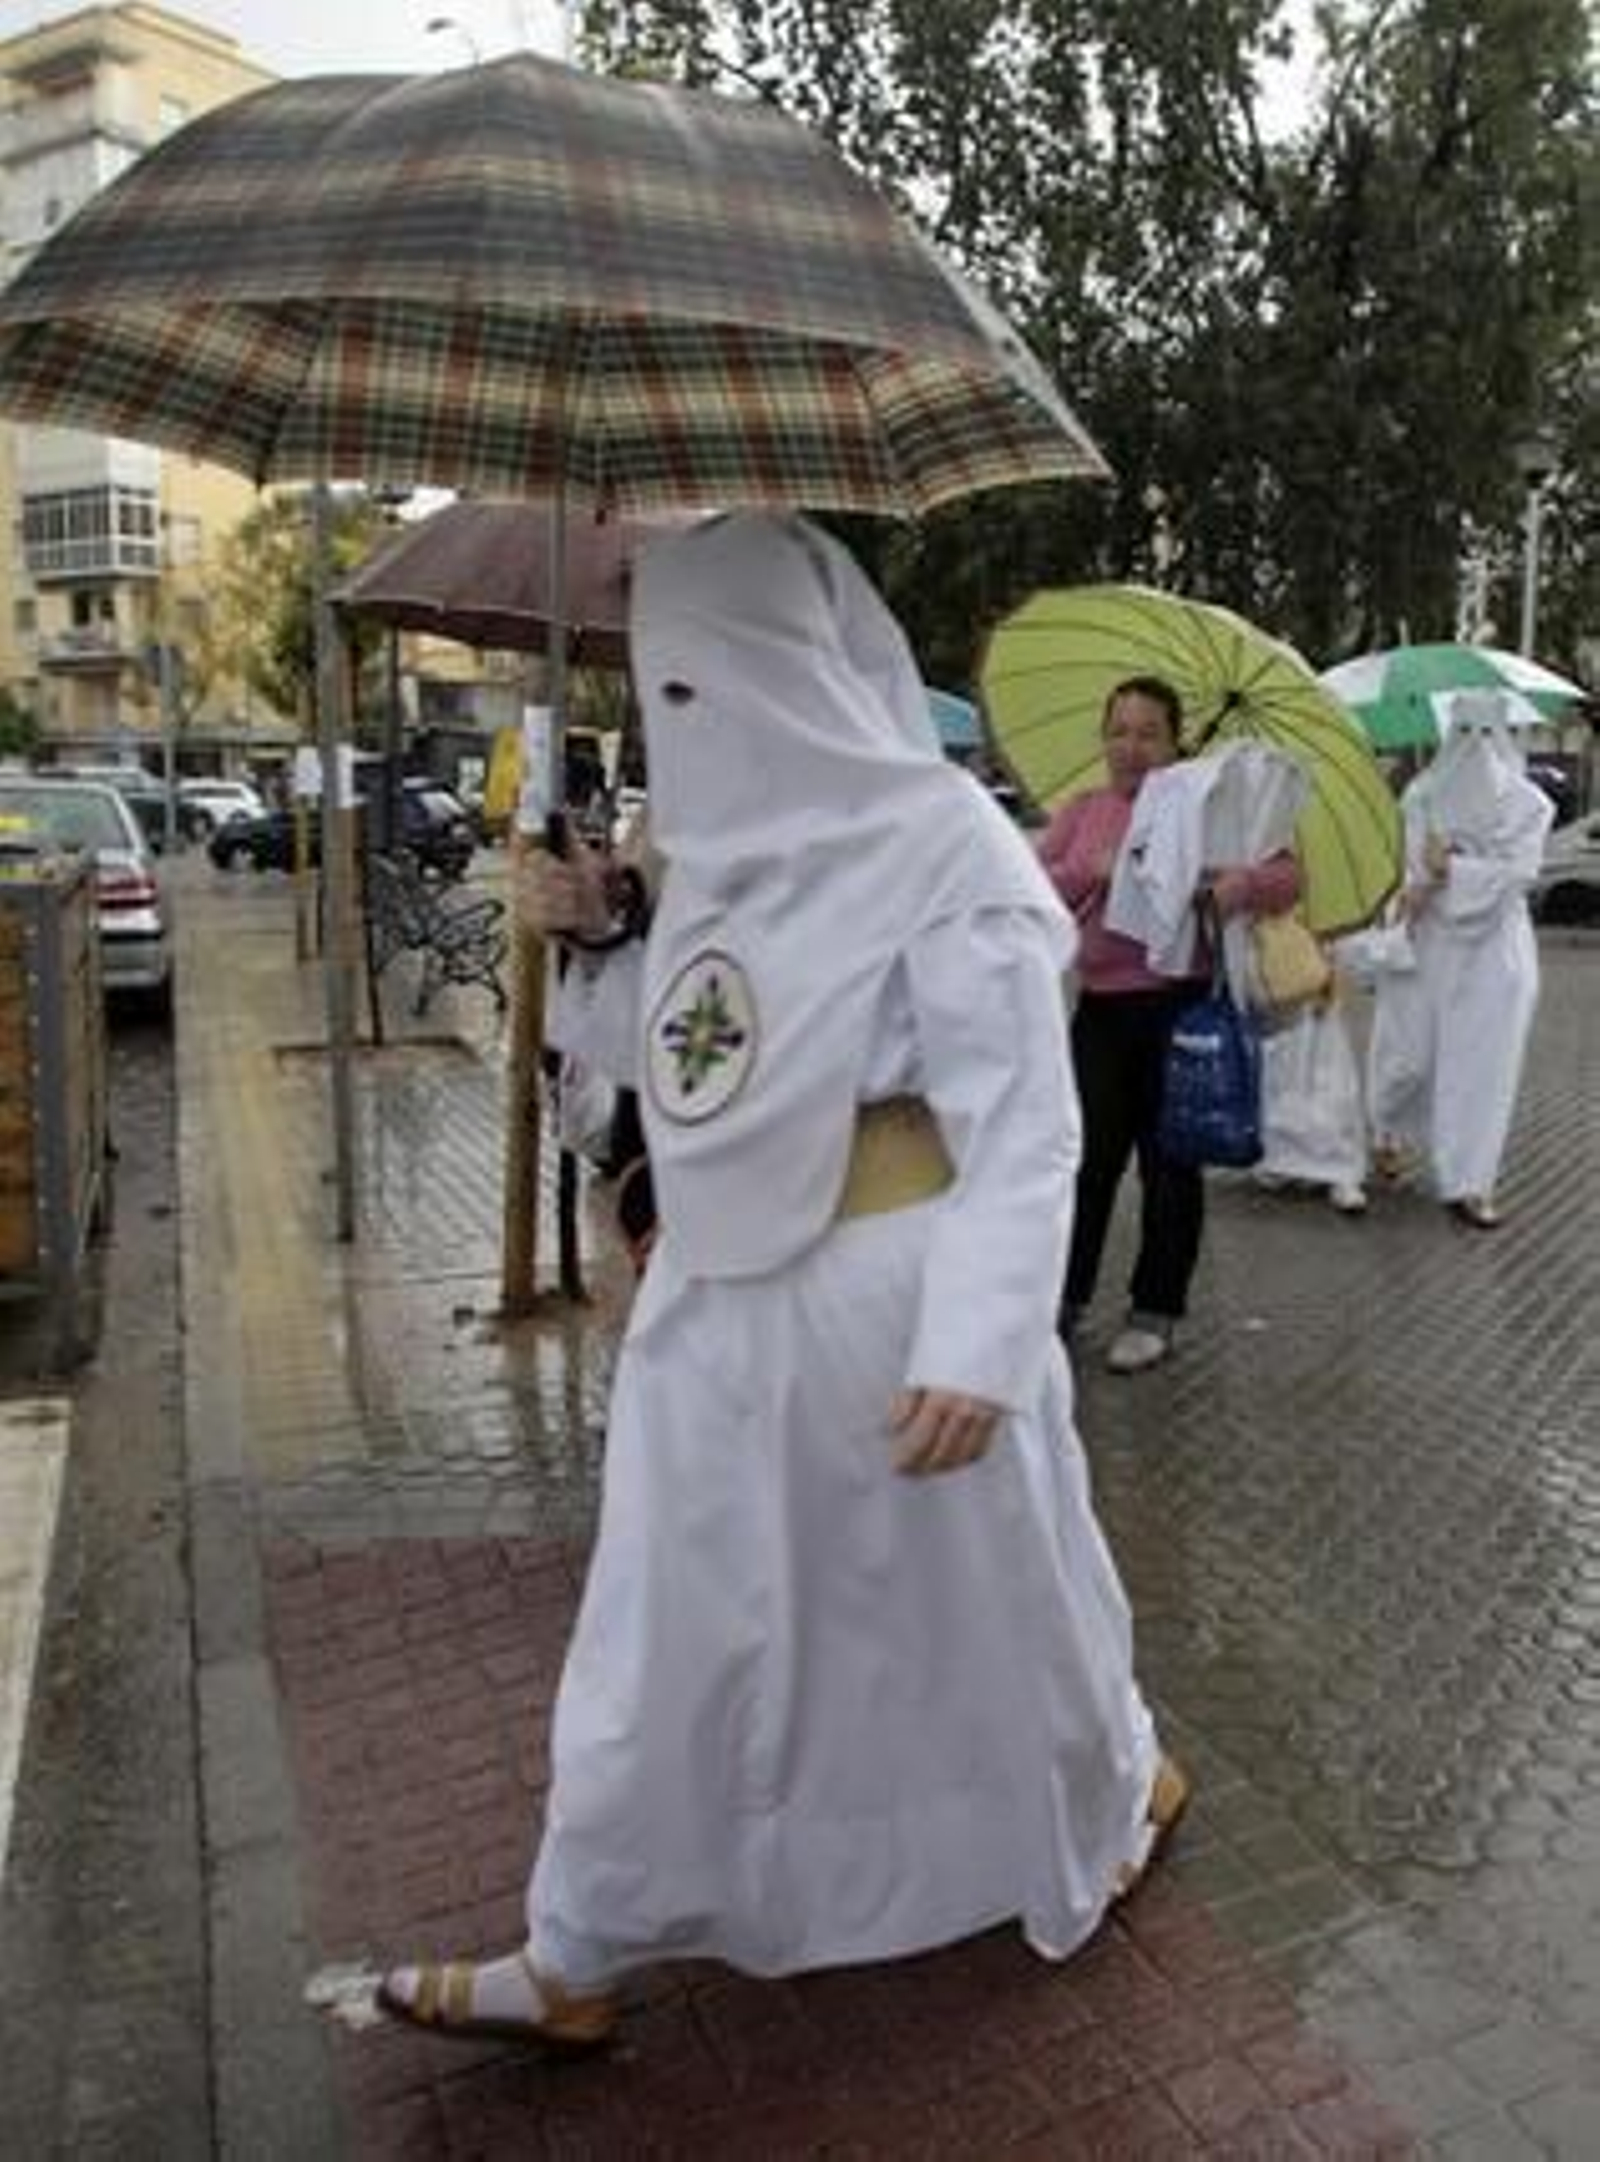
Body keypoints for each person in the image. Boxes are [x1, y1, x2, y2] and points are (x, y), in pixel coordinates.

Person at [376, 513, 1185, 2047]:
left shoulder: (946, 847)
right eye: (657, 689)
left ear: (786, 675)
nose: (676, 725)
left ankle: (1113, 1782)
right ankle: (578, 1948)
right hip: (716, 1318)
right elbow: (689, 1063)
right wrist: (592, 936)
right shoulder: (718, 862)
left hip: (900, 1313)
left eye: (699, 687)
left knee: (1000, 1605)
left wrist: (983, 1334)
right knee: (655, 1623)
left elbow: (1022, 1119)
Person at [1039, 680, 1301, 1375]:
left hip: (1182, 1010)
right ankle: (1059, 1301)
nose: (1130, 747)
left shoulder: (1211, 802)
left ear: (1175, 740)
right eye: (1118, 730)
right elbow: (1031, 887)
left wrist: (1240, 884)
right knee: (1082, 1164)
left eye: (1147, 733)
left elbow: (1289, 877)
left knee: (1171, 1166)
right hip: (1100, 1012)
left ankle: (1155, 1310)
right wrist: (1084, 870)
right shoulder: (1086, 810)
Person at [1367, 689, 1550, 1229]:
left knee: (1482, 1070)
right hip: (1427, 947)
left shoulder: (1530, 806)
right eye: (1463, 733)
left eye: (1486, 733)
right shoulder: (1422, 794)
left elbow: (1520, 874)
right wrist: (1417, 882)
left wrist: (1456, 871)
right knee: (1409, 1057)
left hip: (1495, 955)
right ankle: (1386, 1129)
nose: (1475, 748)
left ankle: (1471, 1181)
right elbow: (1404, 868)